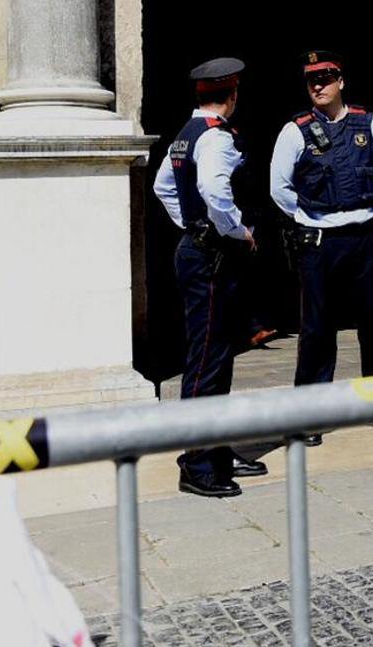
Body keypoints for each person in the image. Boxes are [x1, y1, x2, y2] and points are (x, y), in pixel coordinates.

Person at [269, 50, 373, 445]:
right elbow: (279, 188)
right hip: (320, 240)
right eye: (311, 79)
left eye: (326, 77)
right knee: (317, 327)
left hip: (364, 235)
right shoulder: (294, 131)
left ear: (341, 81)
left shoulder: (369, 123)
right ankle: (310, 416)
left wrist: (364, 211)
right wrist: (311, 217)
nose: (318, 85)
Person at [153, 56, 268, 498]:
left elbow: (164, 186)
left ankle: (214, 452)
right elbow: (216, 191)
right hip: (213, 256)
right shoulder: (217, 138)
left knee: (214, 356)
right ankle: (197, 463)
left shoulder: (186, 134)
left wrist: (190, 224)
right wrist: (236, 230)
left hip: (197, 250)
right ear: (233, 94)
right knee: (207, 362)